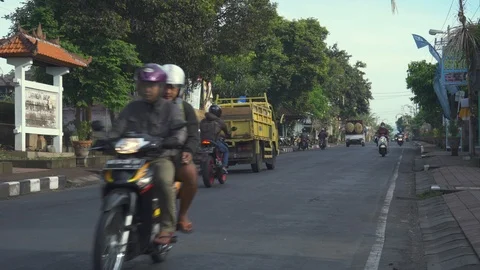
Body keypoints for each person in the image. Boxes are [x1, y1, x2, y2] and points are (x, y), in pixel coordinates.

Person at [109, 63, 187, 245]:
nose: (147, 90)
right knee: (110, 177)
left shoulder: (171, 109)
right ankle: (116, 213)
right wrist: (107, 140)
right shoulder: (132, 108)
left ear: (160, 87)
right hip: (131, 158)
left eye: (151, 86)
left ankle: (167, 227)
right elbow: (117, 129)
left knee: (163, 181)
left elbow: (180, 131)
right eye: (144, 85)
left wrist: (172, 141)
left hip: (159, 158)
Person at [162, 64, 199, 234]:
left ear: (179, 89)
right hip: (146, 154)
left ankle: (182, 215)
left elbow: (193, 135)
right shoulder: (146, 105)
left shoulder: (185, 109)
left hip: (175, 155)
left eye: (171, 87)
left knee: (191, 174)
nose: (167, 91)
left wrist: (188, 151)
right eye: (164, 86)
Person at [199, 104, 231, 173]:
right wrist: (228, 135)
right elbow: (227, 133)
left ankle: (203, 166)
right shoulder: (220, 122)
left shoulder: (203, 121)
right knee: (226, 150)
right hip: (214, 141)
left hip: (203, 141)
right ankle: (224, 167)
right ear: (219, 113)